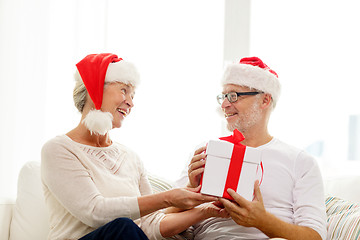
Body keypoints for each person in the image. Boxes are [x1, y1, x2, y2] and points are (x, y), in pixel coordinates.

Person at [41, 53, 228, 240]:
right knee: (123, 226)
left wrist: (206, 211)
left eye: (133, 95)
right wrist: (168, 197)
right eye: (124, 90)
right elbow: (95, 212)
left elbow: (149, 225)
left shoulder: (131, 157)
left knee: (129, 229)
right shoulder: (59, 149)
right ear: (94, 89)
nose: (130, 103)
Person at [176, 57, 327, 240]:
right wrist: (191, 187)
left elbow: (315, 236)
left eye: (233, 96)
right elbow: (162, 218)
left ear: (265, 100)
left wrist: (261, 220)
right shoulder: (205, 152)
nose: (224, 105)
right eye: (223, 97)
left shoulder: (300, 161)